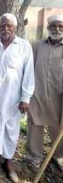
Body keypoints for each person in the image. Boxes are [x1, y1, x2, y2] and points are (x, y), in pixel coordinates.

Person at [0, 13, 34, 183]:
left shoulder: (24, 46)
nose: (5, 28)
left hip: (13, 98)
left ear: (15, 28)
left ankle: (8, 162)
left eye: (9, 26)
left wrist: (26, 98)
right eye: (3, 25)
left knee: (11, 130)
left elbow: (29, 74)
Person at [27, 14, 63, 172]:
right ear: (48, 28)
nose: (57, 29)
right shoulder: (37, 46)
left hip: (59, 97)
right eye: (53, 26)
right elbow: (28, 70)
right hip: (38, 95)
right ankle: (34, 159)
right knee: (35, 128)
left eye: (61, 26)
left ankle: (58, 158)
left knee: (59, 129)